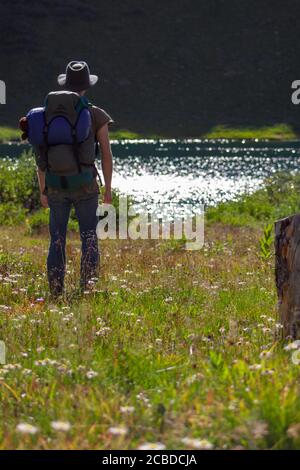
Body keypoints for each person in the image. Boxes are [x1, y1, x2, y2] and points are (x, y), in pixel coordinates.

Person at [34, 61, 113, 297]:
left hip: (56, 185)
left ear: (65, 84)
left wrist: (43, 189)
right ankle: (88, 289)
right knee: (89, 235)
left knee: (56, 237)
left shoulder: (45, 114)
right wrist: (108, 189)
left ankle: (56, 291)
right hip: (86, 185)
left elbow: (40, 156)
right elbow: (107, 154)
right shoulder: (96, 114)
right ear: (86, 87)